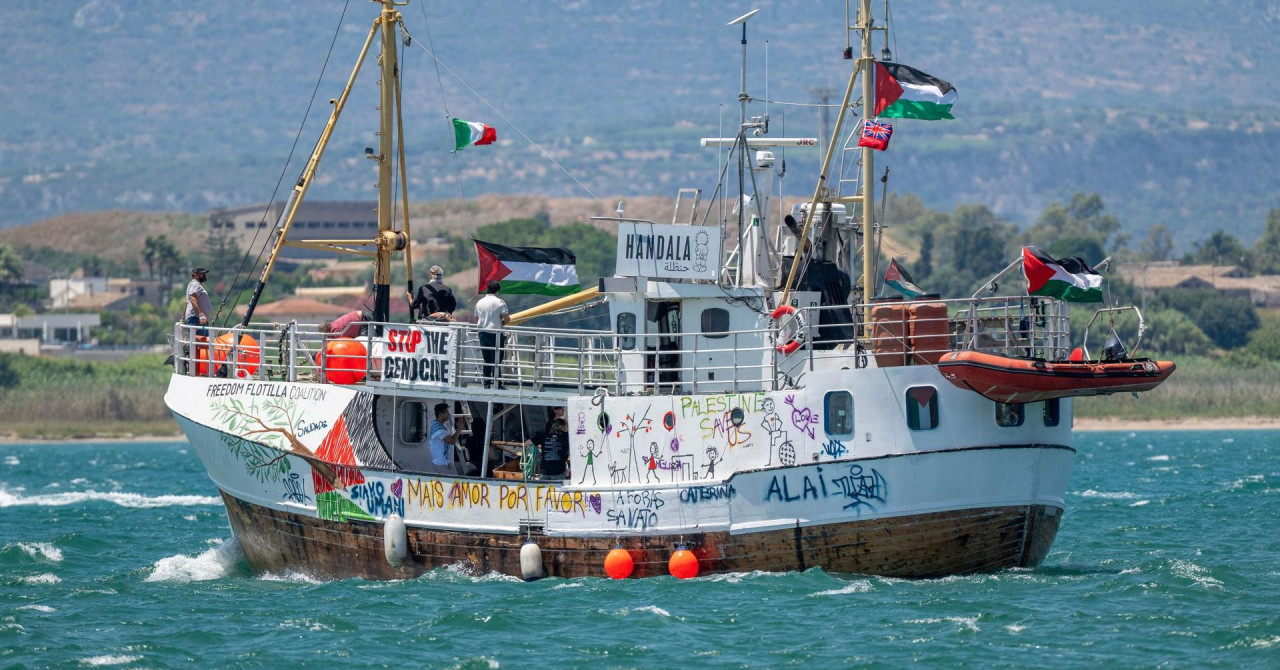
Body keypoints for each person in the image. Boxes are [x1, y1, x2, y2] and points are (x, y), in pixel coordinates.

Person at [474, 279, 509, 388]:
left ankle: (486, 383)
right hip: (496, 333)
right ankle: (497, 383)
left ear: (487, 290)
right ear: (497, 291)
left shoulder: (479, 302)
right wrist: (502, 322)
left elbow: (476, 319)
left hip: (483, 333)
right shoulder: (500, 302)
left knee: (487, 359)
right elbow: (506, 319)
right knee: (497, 359)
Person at [428, 403, 459, 475]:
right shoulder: (439, 429)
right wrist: (459, 428)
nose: (448, 414)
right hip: (441, 464)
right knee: (455, 483)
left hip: (442, 463)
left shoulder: (437, 426)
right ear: (440, 414)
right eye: (446, 412)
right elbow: (452, 440)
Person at [184, 267, 213, 336]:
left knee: (202, 343)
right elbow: (192, 298)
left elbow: (188, 302)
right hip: (196, 319)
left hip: (199, 319)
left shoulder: (194, 285)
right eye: (202, 273)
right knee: (200, 342)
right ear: (195, 275)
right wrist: (200, 314)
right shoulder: (195, 284)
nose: (204, 275)